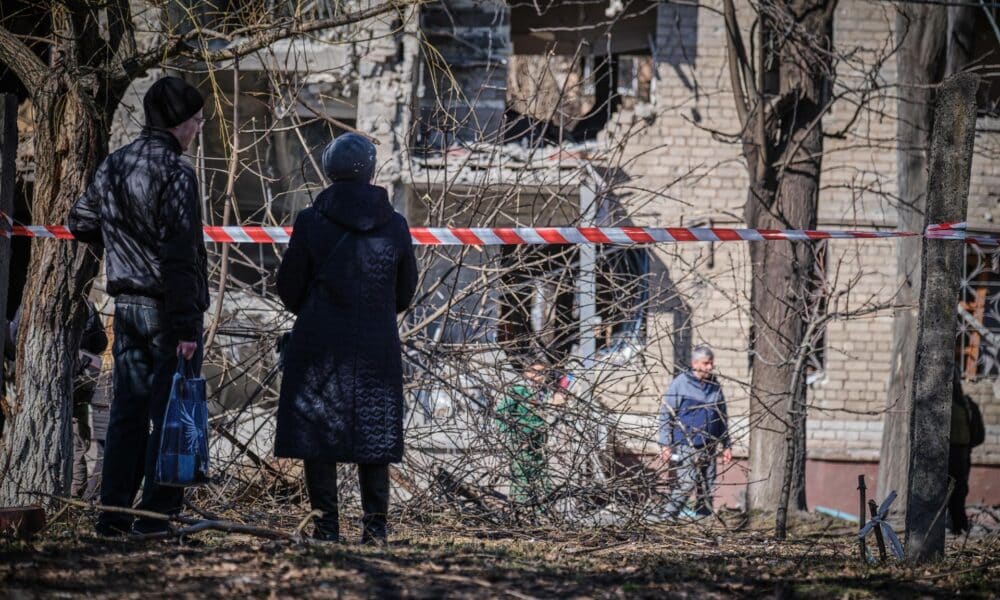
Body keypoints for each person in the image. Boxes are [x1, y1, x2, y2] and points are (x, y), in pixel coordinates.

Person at [69, 76, 209, 536]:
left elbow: (80, 220)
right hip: (169, 311)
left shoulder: (115, 163)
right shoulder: (177, 172)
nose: (197, 128)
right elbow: (179, 256)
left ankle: (112, 515)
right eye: (195, 120)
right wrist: (188, 326)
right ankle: (156, 517)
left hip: (126, 306)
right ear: (178, 123)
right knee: (172, 415)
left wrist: (119, 239)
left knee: (128, 414)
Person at [274, 132, 418, 544]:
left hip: (319, 344)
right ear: (371, 172)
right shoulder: (395, 225)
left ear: (328, 171)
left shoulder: (310, 221)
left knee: (318, 434)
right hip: (375, 344)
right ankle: (375, 532)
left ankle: (325, 529)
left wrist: (317, 306)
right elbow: (405, 291)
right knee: (375, 434)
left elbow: (288, 288)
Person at [659, 345, 732, 518]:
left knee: (708, 484)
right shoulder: (681, 383)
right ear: (695, 363)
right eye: (706, 363)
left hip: (710, 445)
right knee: (687, 483)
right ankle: (667, 517)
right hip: (687, 444)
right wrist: (664, 444)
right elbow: (666, 413)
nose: (710, 367)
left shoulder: (715, 386)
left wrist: (726, 444)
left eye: (711, 363)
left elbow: (722, 417)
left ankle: (703, 517)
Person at [496, 359, 552, 506]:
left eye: (543, 373)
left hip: (539, 446)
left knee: (542, 483)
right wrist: (517, 434)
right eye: (535, 372)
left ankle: (542, 515)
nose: (539, 377)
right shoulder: (518, 390)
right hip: (522, 446)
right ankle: (522, 513)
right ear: (526, 373)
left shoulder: (544, 392)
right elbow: (501, 414)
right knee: (522, 483)